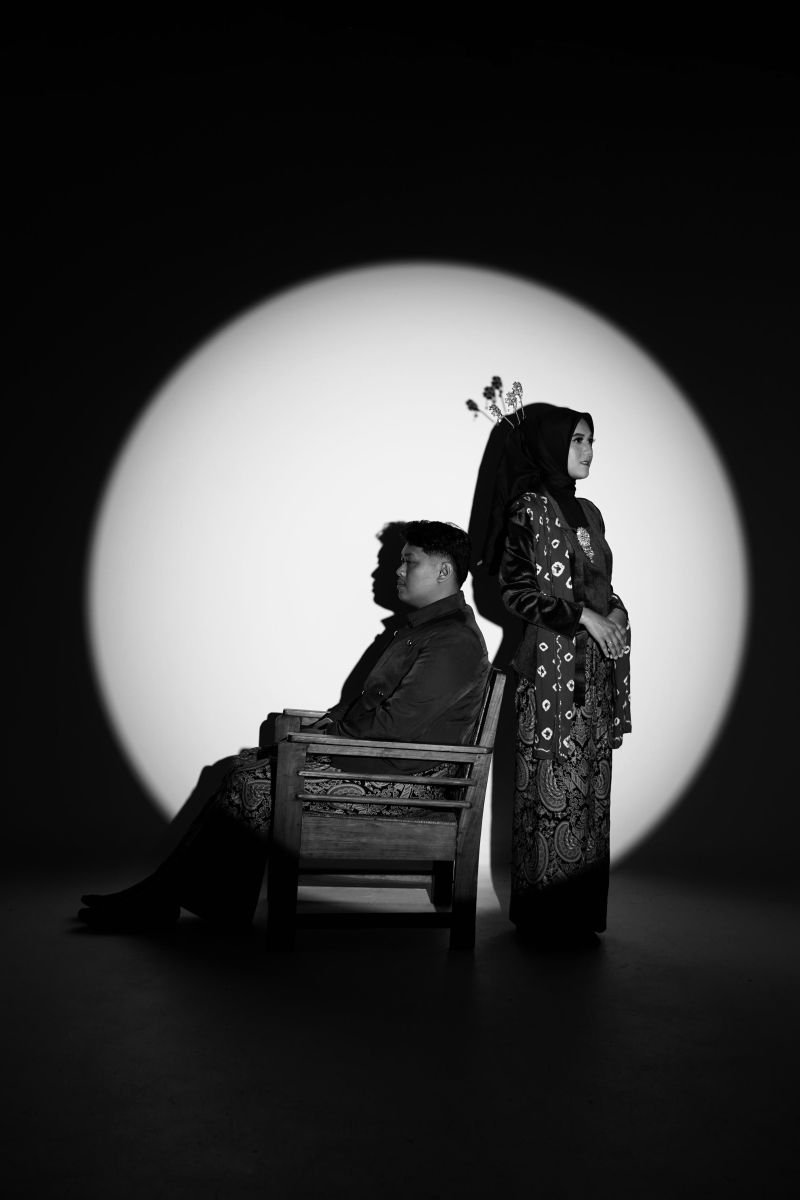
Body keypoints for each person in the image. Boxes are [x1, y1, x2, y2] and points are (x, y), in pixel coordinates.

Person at [78, 520, 490, 933]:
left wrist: (320, 740)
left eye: (409, 562)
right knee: (245, 767)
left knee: (253, 781)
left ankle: (181, 903)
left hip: (410, 783)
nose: (397, 571)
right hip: (383, 765)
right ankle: (172, 898)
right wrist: (324, 728)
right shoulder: (426, 630)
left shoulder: (453, 641)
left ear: (443, 571)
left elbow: (394, 728)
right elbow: (372, 708)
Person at [480, 404, 631, 946]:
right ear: (549, 447)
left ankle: (581, 915)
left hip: (595, 675)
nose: (589, 451)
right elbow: (516, 592)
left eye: (592, 440)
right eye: (577, 441)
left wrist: (615, 612)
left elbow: (601, 586)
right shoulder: (527, 509)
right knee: (548, 791)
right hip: (550, 675)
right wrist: (584, 617)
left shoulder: (591, 513)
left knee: (591, 794)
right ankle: (544, 920)